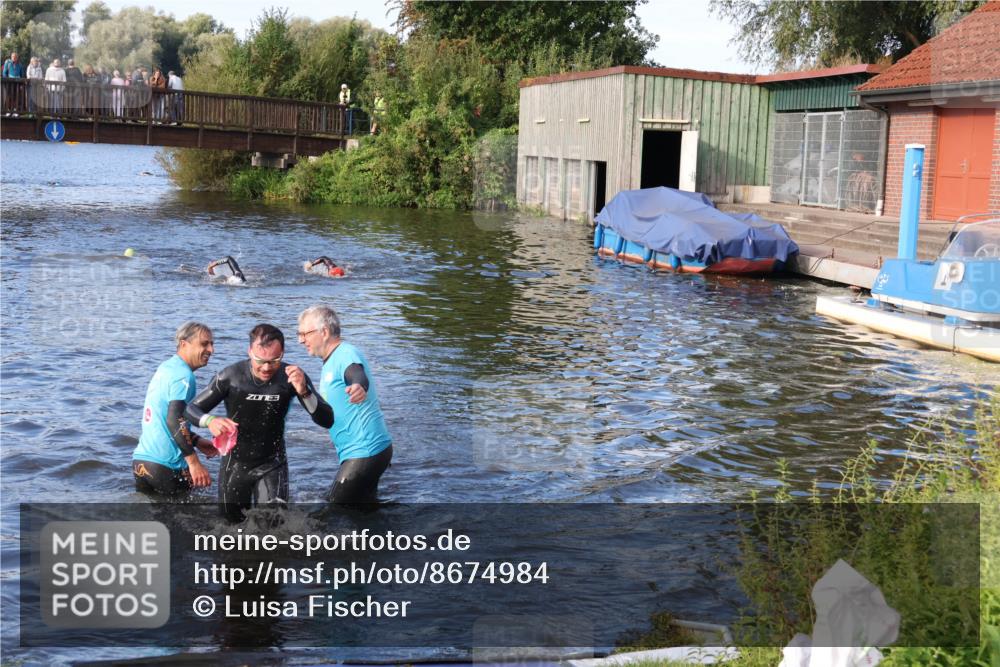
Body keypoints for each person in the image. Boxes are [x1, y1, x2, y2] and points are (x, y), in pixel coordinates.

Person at [185, 324, 334, 522]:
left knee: (274, 528)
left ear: (282, 353)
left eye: (274, 361)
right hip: (235, 464)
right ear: (250, 352)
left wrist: (304, 391)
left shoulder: (292, 377)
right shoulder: (231, 376)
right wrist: (210, 421)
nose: (266, 368)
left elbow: (327, 420)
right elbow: (189, 410)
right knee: (230, 529)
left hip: (273, 463)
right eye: (260, 360)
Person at [298, 305, 392, 504]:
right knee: (364, 512)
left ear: (324, 332)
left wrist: (359, 386)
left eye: (305, 333)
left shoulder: (345, 354)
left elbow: (356, 374)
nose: (301, 340)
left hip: (365, 451)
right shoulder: (331, 361)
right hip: (366, 451)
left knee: (336, 510)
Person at [132, 322, 218, 496]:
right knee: (188, 521)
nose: (211, 350)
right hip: (166, 466)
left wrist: (197, 441)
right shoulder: (184, 376)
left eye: (212, 344)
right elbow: (174, 420)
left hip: (142, 462)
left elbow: (164, 418)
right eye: (204, 344)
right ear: (184, 344)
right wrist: (194, 463)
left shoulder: (167, 367)